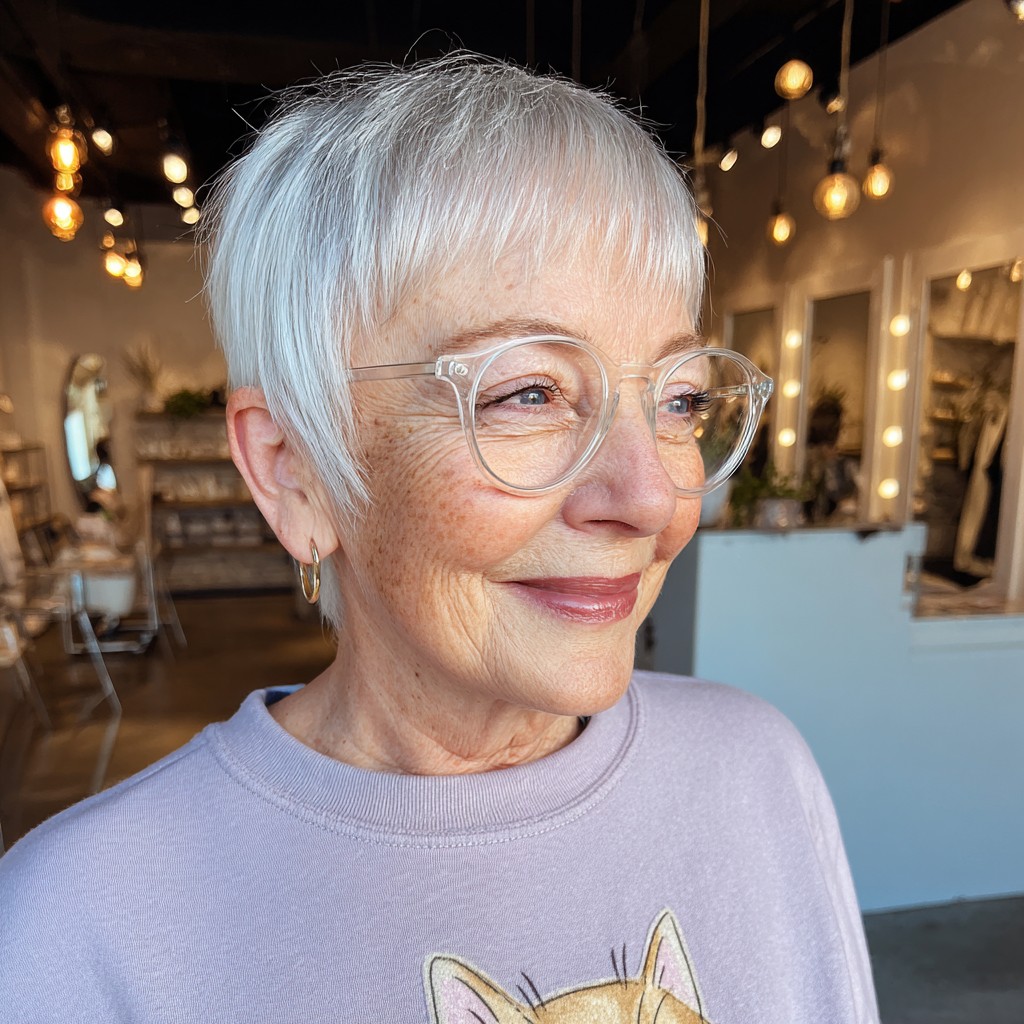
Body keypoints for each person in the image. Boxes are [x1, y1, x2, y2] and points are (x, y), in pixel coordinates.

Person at [0, 57, 878, 1023]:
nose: (651, 496)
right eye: (528, 394)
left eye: (680, 400)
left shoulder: (757, 777)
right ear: (294, 472)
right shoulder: (77, 929)